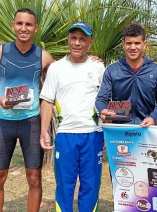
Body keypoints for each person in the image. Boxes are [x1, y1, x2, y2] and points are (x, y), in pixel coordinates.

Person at [0, 8, 54, 212]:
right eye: (20, 23)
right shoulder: (0, 52)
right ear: (13, 26)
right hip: (4, 122)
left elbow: (64, 75)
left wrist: (93, 60)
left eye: (29, 24)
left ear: (36, 28)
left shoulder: (44, 56)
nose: (24, 28)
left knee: (34, 178)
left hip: (31, 122)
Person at [39, 21, 105, 212]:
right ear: (68, 39)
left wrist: (104, 131)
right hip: (66, 135)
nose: (77, 43)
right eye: (73, 38)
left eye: (82, 39)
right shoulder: (56, 68)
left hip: (93, 135)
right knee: (64, 186)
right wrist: (44, 131)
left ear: (90, 43)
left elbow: (106, 101)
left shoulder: (99, 68)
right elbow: (47, 101)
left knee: (91, 186)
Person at [95, 23, 157, 126]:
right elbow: (101, 99)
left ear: (144, 44)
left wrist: (153, 117)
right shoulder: (112, 70)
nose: (133, 47)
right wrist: (103, 110)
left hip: (146, 130)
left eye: (137, 43)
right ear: (123, 44)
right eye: (129, 43)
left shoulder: (155, 70)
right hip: (119, 131)